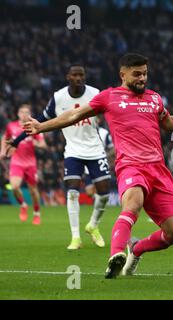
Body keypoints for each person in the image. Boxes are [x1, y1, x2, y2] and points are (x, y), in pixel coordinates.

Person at [24, 53, 173, 279]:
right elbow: (74, 114)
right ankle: (115, 256)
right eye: (136, 74)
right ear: (122, 74)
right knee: (132, 205)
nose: (142, 78)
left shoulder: (154, 98)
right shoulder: (109, 97)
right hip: (131, 166)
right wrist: (41, 126)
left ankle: (136, 249)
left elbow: (170, 123)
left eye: (145, 73)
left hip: (158, 169)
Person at [9, 64, 112, 250]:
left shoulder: (95, 93)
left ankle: (93, 225)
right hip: (72, 150)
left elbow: (111, 114)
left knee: (104, 193)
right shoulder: (59, 97)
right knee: (72, 191)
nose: (79, 78)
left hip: (95, 149)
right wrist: (17, 140)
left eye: (82, 75)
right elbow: (41, 119)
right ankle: (75, 237)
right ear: (68, 77)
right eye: (75, 75)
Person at [0, 104, 47, 225]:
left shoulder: (33, 126)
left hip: (31, 163)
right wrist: (2, 152)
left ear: (30, 114)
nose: (24, 114)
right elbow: (5, 138)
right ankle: (23, 204)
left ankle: (36, 213)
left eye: (27, 112)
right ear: (18, 114)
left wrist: (35, 142)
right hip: (16, 162)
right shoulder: (11, 126)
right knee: (14, 186)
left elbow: (43, 144)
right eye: (22, 112)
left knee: (33, 190)